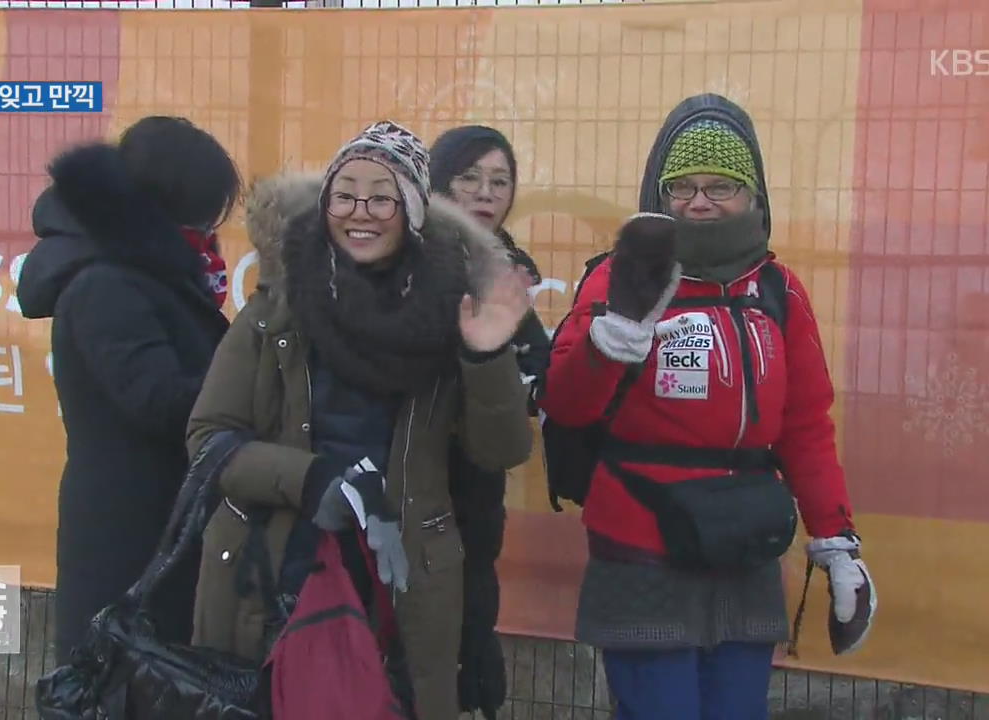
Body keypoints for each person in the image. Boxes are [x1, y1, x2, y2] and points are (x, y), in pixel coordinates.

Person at [539, 94, 876, 719]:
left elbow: (805, 424)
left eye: (720, 185)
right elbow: (566, 404)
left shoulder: (777, 290)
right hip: (641, 538)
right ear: (659, 193)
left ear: (753, 195)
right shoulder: (621, 276)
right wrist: (600, 349)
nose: (699, 201)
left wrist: (834, 537)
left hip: (745, 541)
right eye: (682, 186)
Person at [185, 120, 534, 720]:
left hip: (403, 577)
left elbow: (500, 451)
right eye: (344, 194)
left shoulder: (453, 309)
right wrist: (309, 479)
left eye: (382, 196)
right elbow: (208, 439)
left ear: (416, 211)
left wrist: (486, 355)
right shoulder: (279, 308)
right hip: (275, 571)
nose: (360, 212)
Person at [17, 116, 240, 663]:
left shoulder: (147, 271)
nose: (211, 228)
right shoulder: (106, 283)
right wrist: (253, 390)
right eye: (205, 210)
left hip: (167, 528)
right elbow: (157, 399)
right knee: (120, 687)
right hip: (129, 537)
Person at [428, 124, 549, 719]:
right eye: (470, 177)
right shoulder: (403, 255)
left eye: (500, 181)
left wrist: (534, 383)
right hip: (403, 475)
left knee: (473, 607)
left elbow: (539, 362)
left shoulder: (512, 268)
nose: (486, 192)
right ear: (437, 183)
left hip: (476, 479)